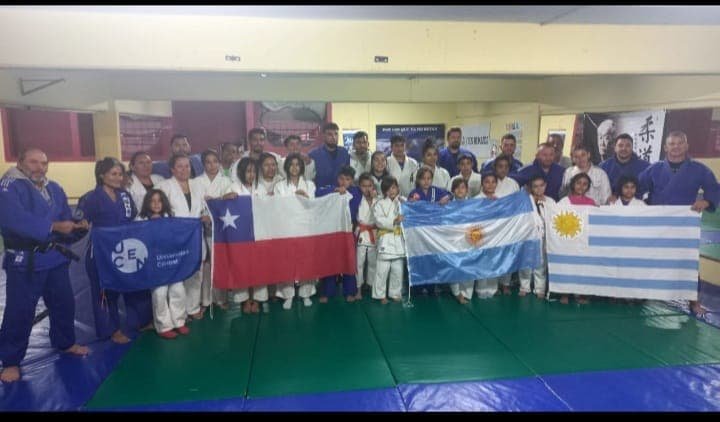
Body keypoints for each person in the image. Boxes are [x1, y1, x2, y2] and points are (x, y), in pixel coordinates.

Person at [0, 148, 90, 383]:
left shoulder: (54, 187)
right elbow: (14, 220)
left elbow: (63, 218)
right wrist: (54, 227)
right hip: (26, 261)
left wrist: (76, 227)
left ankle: (65, 342)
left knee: (64, 303)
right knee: (19, 312)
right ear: (20, 162)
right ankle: (10, 361)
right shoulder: (9, 186)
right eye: (34, 162)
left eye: (44, 163)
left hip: (54, 258)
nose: (40, 167)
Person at [638, 130, 720, 316]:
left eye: (679, 143)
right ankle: (642, 292)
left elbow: (713, 188)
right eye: (672, 144)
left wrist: (706, 202)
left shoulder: (699, 169)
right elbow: (636, 187)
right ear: (666, 147)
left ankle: (693, 301)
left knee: (688, 261)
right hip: (657, 223)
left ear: (686, 146)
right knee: (649, 258)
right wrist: (639, 204)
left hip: (684, 224)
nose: (676, 147)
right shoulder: (655, 168)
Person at [77, 157, 153, 344]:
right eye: (113, 174)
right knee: (105, 291)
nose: (118, 178)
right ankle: (111, 330)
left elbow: (133, 217)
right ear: (102, 175)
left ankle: (140, 321)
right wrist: (81, 224)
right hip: (101, 252)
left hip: (126, 249)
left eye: (120, 174)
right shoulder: (90, 198)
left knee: (133, 284)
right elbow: (79, 220)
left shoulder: (125, 196)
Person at [157, 154, 210, 321]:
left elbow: (204, 207)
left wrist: (207, 216)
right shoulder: (163, 186)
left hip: (195, 236)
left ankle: (193, 308)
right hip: (174, 238)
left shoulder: (197, 185)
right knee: (176, 278)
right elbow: (155, 209)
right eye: (179, 166)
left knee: (196, 273)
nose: (184, 169)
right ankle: (177, 314)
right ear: (172, 169)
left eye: (187, 166)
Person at [136, 189, 189, 339]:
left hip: (171, 261)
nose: (156, 204)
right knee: (160, 293)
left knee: (178, 290)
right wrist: (150, 225)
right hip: (154, 263)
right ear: (147, 203)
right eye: (152, 201)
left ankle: (179, 321)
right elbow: (137, 239)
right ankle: (164, 325)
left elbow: (177, 236)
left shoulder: (170, 217)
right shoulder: (141, 219)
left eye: (159, 200)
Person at [273, 153, 318, 309]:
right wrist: (294, 196)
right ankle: (288, 295)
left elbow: (312, 206)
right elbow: (278, 207)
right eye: (291, 164)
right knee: (287, 262)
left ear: (302, 167)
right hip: (286, 228)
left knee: (305, 261)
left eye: (297, 164)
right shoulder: (279, 186)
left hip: (305, 227)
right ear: (286, 167)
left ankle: (306, 293)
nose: (294, 167)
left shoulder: (310, 185)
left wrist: (304, 196)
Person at [223, 157, 268, 314]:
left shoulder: (261, 188)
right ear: (241, 172)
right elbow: (224, 208)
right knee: (242, 266)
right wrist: (226, 199)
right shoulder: (233, 187)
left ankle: (256, 298)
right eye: (248, 171)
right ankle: (243, 300)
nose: (251, 174)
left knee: (258, 266)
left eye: (254, 171)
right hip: (240, 235)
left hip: (258, 232)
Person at [316, 166, 362, 303]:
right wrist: (334, 190)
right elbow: (317, 192)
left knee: (349, 262)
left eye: (347, 179)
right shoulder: (331, 189)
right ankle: (327, 291)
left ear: (352, 181)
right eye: (341, 179)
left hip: (348, 232)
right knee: (330, 262)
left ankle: (350, 291)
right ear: (337, 179)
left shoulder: (356, 192)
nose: (343, 182)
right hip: (332, 232)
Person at [194, 150, 233, 311]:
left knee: (220, 263)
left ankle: (220, 298)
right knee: (205, 264)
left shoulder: (226, 181)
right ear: (203, 164)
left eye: (215, 161)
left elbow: (229, 203)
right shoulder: (196, 181)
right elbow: (195, 204)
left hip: (220, 227)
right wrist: (206, 210)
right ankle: (204, 301)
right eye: (208, 162)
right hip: (200, 227)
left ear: (219, 163)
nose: (212, 165)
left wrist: (215, 203)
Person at [558, 172, 596, 306]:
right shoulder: (564, 202)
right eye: (579, 183)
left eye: (585, 184)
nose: (581, 186)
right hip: (568, 240)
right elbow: (558, 220)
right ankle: (565, 293)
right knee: (568, 266)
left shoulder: (591, 203)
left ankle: (582, 292)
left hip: (584, 240)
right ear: (573, 184)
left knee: (583, 267)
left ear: (588, 187)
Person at [518, 175, 556, 299]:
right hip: (528, 236)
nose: (539, 189)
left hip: (543, 236)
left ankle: (540, 288)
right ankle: (524, 286)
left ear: (545, 186)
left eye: (541, 186)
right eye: (535, 186)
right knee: (525, 263)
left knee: (541, 263)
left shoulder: (550, 201)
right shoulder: (526, 201)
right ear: (530, 188)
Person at [372, 176, 406, 304]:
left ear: (397, 188)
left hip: (398, 240)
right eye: (388, 189)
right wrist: (394, 221)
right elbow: (378, 220)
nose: (391, 191)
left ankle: (394, 293)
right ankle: (380, 294)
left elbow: (410, 212)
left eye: (394, 187)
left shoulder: (402, 201)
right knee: (382, 270)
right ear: (384, 191)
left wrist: (412, 202)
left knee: (398, 270)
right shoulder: (379, 204)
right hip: (385, 240)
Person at [473, 173, 506, 297]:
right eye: (487, 182)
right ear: (482, 184)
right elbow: (474, 217)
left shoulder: (500, 200)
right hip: (481, 235)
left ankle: (493, 288)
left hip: (495, 235)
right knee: (482, 262)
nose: (490, 184)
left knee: (494, 261)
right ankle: (481, 289)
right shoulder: (476, 199)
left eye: (493, 182)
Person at [447, 178, 475, 304]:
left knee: (469, 266)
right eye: (457, 188)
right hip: (454, 241)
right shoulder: (447, 205)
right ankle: (457, 293)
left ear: (467, 190)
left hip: (469, 240)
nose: (460, 190)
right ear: (452, 191)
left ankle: (467, 293)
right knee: (455, 266)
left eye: (463, 187)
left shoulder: (474, 205)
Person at [600, 134, 650, 203]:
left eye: (628, 145)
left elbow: (649, 190)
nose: (624, 148)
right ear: (615, 148)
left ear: (632, 148)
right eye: (620, 145)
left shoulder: (645, 167)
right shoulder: (604, 166)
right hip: (611, 207)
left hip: (637, 207)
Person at [354, 173, 378, 300]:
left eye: (369, 186)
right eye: (364, 186)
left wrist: (376, 201)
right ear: (359, 187)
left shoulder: (378, 199)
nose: (367, 189)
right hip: (362, 233)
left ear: (373, 186)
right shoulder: (357, 199)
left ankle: (371, 285)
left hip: (373, 233)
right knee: (359, 263)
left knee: (373, 262)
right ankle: (358, 289)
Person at [309, 122, 351, 187]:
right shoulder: (314, 154)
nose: (334, 137)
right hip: (321, 193)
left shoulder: (344, 152)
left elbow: (348, 174)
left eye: (336, 134)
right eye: (330, 134)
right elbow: (310, 178)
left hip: (341, 193)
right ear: (323, 136)